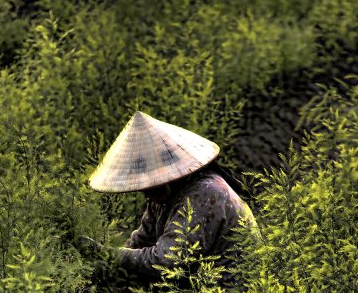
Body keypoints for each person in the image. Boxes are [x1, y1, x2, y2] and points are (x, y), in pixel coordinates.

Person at [88, 111, 256, 280]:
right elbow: (142, 240)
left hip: (233, 291)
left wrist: (109, 253)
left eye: (150, 185)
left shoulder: (204, 193)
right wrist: (107, 264)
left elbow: (166, 260)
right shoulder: (162, 197)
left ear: (168, 178)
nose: (146, 193)